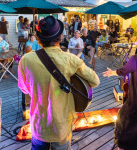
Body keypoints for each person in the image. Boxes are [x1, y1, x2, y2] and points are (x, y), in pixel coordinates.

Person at [18, 16, 100, 149]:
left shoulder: (26, 60)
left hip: (39, 126)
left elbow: (24, 88)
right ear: (61, 38)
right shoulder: (71, 60)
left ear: (38, 38)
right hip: (61, 126)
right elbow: (95, 81)